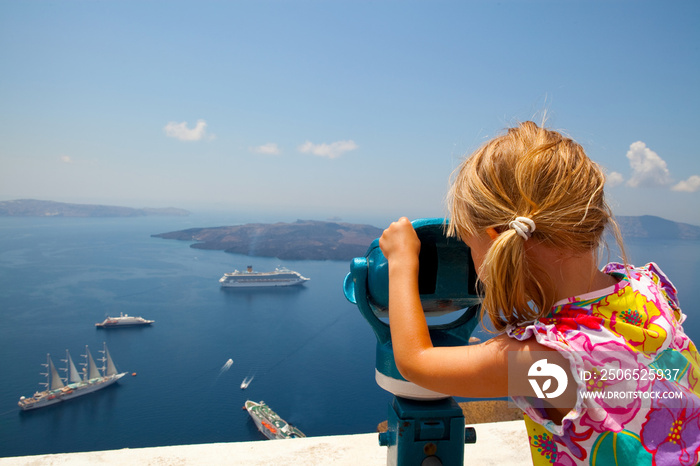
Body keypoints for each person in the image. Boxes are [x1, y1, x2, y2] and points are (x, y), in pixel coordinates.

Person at [379, 121, 700, 465]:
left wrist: (401, 261)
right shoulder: (648, 288)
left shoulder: (550, 361)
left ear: (495, 237)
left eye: (469, 245)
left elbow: (416, 363)